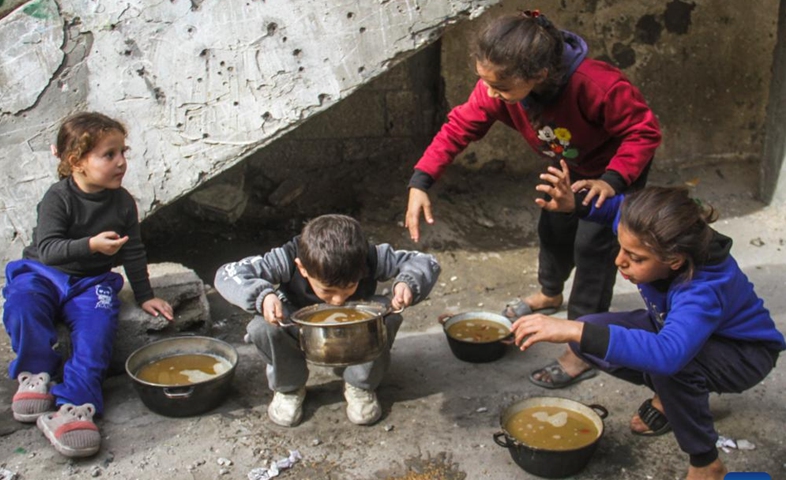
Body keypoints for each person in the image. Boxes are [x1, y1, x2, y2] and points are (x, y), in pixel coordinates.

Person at [404, 11, 661, 388]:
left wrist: (613, 180)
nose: (490, 92)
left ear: (539, 75)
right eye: (484, 80)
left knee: (594, 250)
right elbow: (459, 126)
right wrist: (421, 181)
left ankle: (581, 348)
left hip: (612, 175)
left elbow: (643, 131)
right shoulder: (497, 84)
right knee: (553, 229)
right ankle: (549, 293)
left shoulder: (597, 85)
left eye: (500, 86)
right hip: (567, 169)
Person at [510, 160, 785, 480]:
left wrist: (573, 327)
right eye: (621, 246)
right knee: (587, 341)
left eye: (635, 258)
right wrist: (575, 204)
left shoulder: (701, 290)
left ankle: (707, 463)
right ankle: (672, 398)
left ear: (675, 261)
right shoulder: (645, 230)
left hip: (744, 354)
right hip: (675, 328)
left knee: (670, 364)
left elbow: (668, 354)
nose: (619, 260)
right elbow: (616, 210)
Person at [2, 112, 174, 458]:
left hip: (91, 282)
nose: (121, 162)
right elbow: (48, 249)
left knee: (98, 327)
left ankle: (75, 405)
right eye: (109, 155)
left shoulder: (123, 202)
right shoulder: (58, 198)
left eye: (123, 152)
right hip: (44, 274)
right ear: (76, 162)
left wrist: (145, 295)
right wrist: (90, 245)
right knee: (22, 302)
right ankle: (35, 374)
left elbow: (133, 249)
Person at [214, 214, 440, 427]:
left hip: (357, 331)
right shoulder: (286, 258)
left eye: (349, 287)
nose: (338, 300)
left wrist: (408, 282)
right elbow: (227, 274)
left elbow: (424, 261)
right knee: (263, 326)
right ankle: (289, 388)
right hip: (300, 331)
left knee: (388, 316)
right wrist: (263, 296)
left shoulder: (368, 256)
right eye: (328, 290)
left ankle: (360, 384)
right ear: (302, 268)